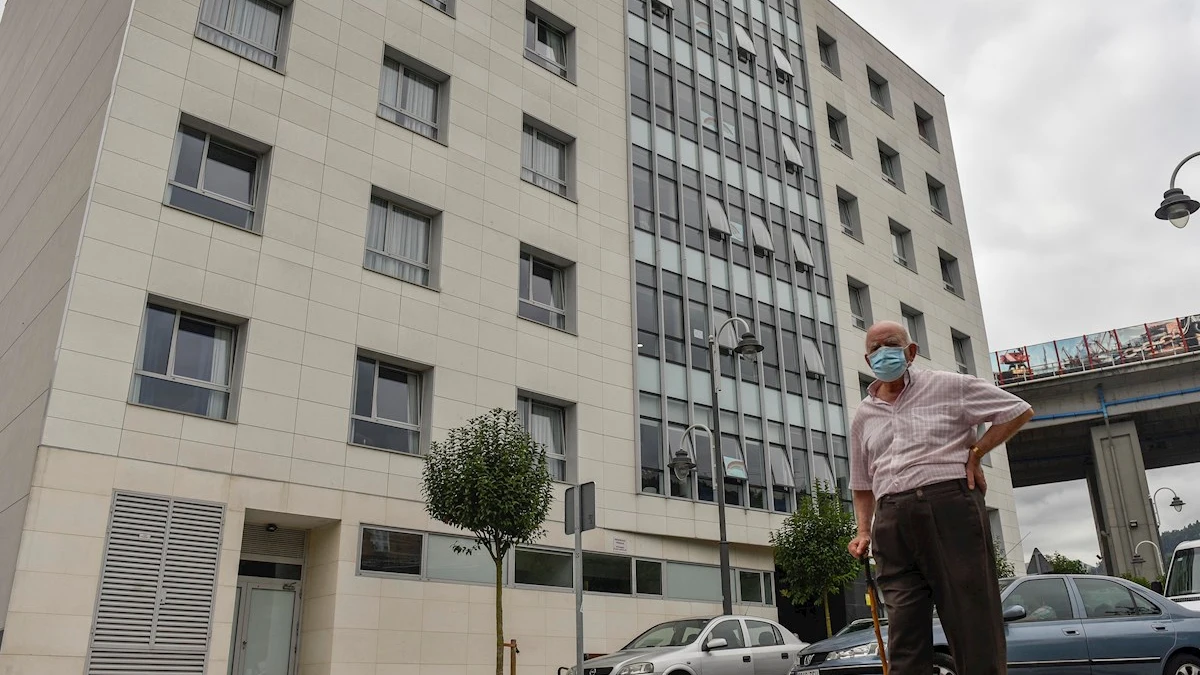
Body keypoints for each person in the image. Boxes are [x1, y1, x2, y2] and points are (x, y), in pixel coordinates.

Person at [847, 321, 1034, 675]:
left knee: (971, 621)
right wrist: (863, 531)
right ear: (868, 359)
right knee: (904, 633)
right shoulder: (863, 415)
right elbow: (861, 483)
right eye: (876, 348)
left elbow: (1018, 410)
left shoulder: (949, 385)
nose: (884, 352)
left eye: (892, 344)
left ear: (911, 352)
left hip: (948, 507)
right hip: (890, 521)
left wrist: (976, 452)